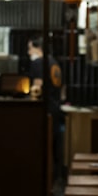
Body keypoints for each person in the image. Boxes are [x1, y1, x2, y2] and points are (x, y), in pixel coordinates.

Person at [28, 34, 65, 184]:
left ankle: (44, 182)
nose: (28, 52)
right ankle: (54, 179)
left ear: (38, 48)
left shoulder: (38, 63)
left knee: (43, 146)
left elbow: (37, 88)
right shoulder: (54, 62)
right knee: (54, 146)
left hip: (45, 109)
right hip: (55, 108)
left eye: (30, 48)